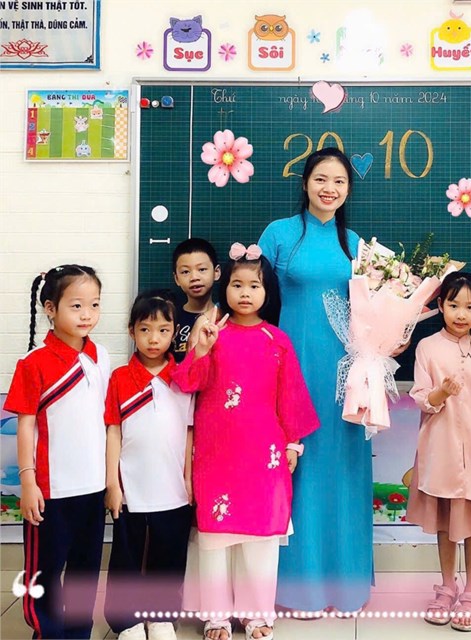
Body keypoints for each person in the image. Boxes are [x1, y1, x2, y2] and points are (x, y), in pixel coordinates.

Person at [172, 243, 319, 640]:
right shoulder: (211, 333)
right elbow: (187, 382)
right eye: (237, 284)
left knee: (261, 535)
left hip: (264, 455)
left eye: (255, 286)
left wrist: (292, 444)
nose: (245, 293)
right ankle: (216, 617)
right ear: (225, 287)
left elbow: (291, 398)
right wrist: (200, 348)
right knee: (215, 535)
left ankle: (256, 615)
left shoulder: (277, 340)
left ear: (268, 291)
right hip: (215, 452)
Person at [258, 147, 379, 613]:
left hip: (346, 373)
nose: (330, 188)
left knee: (342, 469)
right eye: (321, 179)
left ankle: (346, 586)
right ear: (306, 182)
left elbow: (370, 310)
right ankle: (297, 588)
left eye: (340, 181)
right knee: (297, 468)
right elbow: (253, 297)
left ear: (348, 190)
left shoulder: (357, 244)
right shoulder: (278, 234)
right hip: (290, 365)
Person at [4, 264, 109, 640]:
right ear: (50, 308)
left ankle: (78, 632)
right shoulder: (34, 363)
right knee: (44, 571)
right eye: (76, 306)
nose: (87, 315)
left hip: (93, 487)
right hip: (50, 491)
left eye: (94, 305)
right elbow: (25, 425)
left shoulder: (100, 356)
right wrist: (28, 481)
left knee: (85, 569)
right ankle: (46, 631)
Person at [406, 272, 471, 631]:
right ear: (441, 305)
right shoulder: (428, 347)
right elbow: (422, 398)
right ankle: (447, 587)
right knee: (445, 525)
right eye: (454, 305)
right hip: (440, 450)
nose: (461, 314)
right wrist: (442, 392)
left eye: (470, 307)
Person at [103, 290, 194, 640]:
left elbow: (189, 432)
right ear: (131, 331)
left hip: (173, 490)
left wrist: (188, 479)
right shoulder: (119, 378)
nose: (153, 339)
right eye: (145, 330)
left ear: (174, 333)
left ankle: (161, 618)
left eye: (163, 330)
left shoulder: (183, 378)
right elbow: (113, 431)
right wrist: (113, 484)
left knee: (168, 557)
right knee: (127, 558)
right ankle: (126, 621)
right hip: (132, 490)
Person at [172, 238, 221, 362]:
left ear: (216, 272)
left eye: (202, 269)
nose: (194, 277)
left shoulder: (225, 318)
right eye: (185, 272)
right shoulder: (170, 317)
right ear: (176, 279)